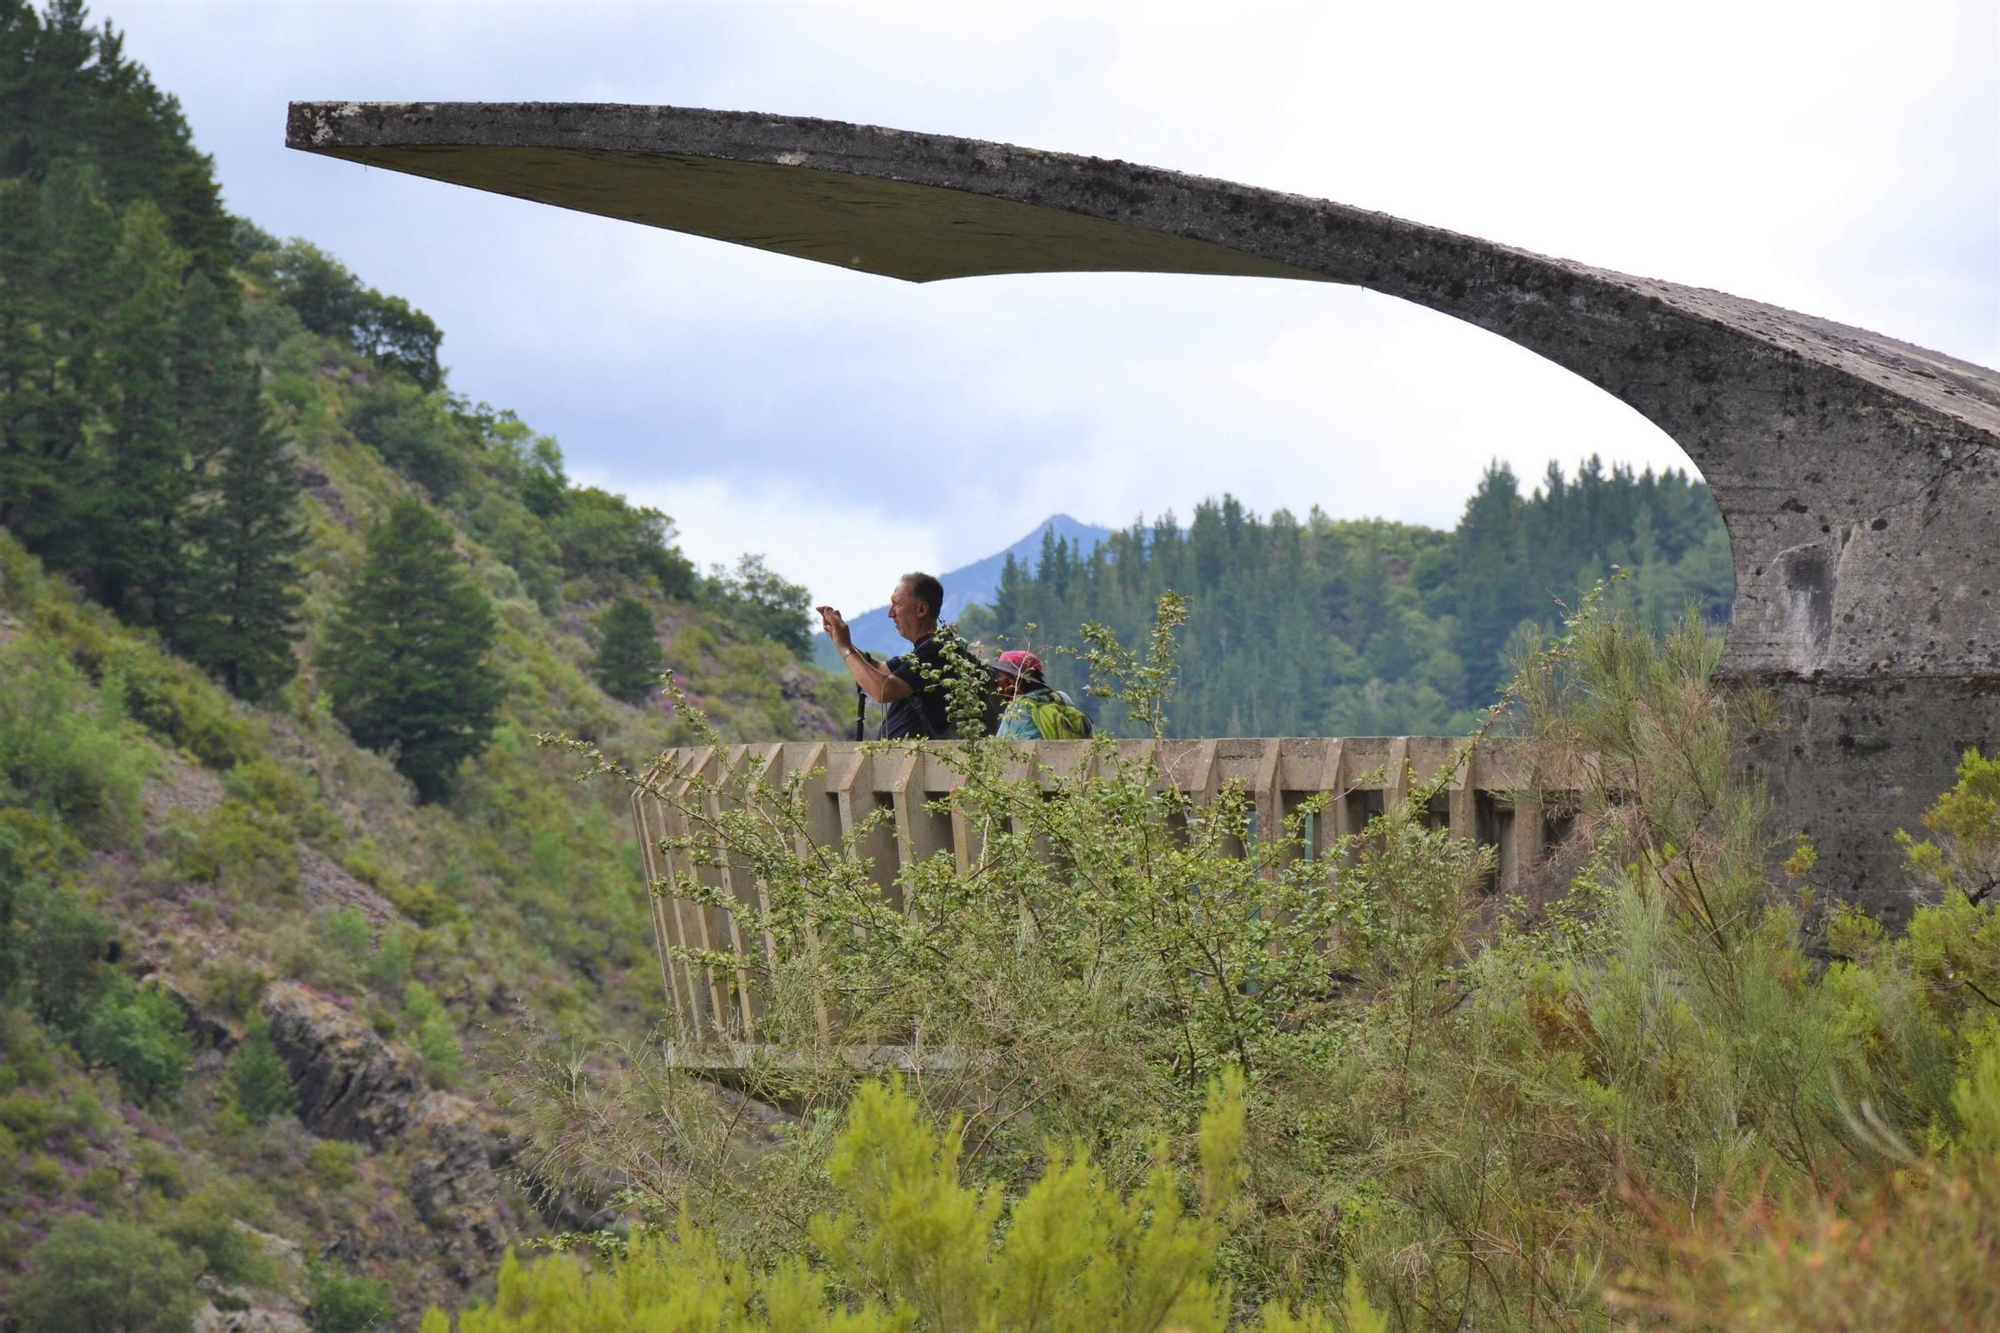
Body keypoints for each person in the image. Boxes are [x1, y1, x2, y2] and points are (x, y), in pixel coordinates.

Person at [818, 572, 958, 740]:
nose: (890, 613)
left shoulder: (934, 651)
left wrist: (845, 647)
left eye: (897, 604)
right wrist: (839, 638)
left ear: (921, 609)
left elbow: (883, 689)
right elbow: (878, 668)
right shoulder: (925, 653)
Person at [990, 650, 1094, 740]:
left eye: (998, 677)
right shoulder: (1062, 698)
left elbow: (1000, 748)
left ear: (1011, 683)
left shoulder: (1018, 708)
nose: (996, 682)